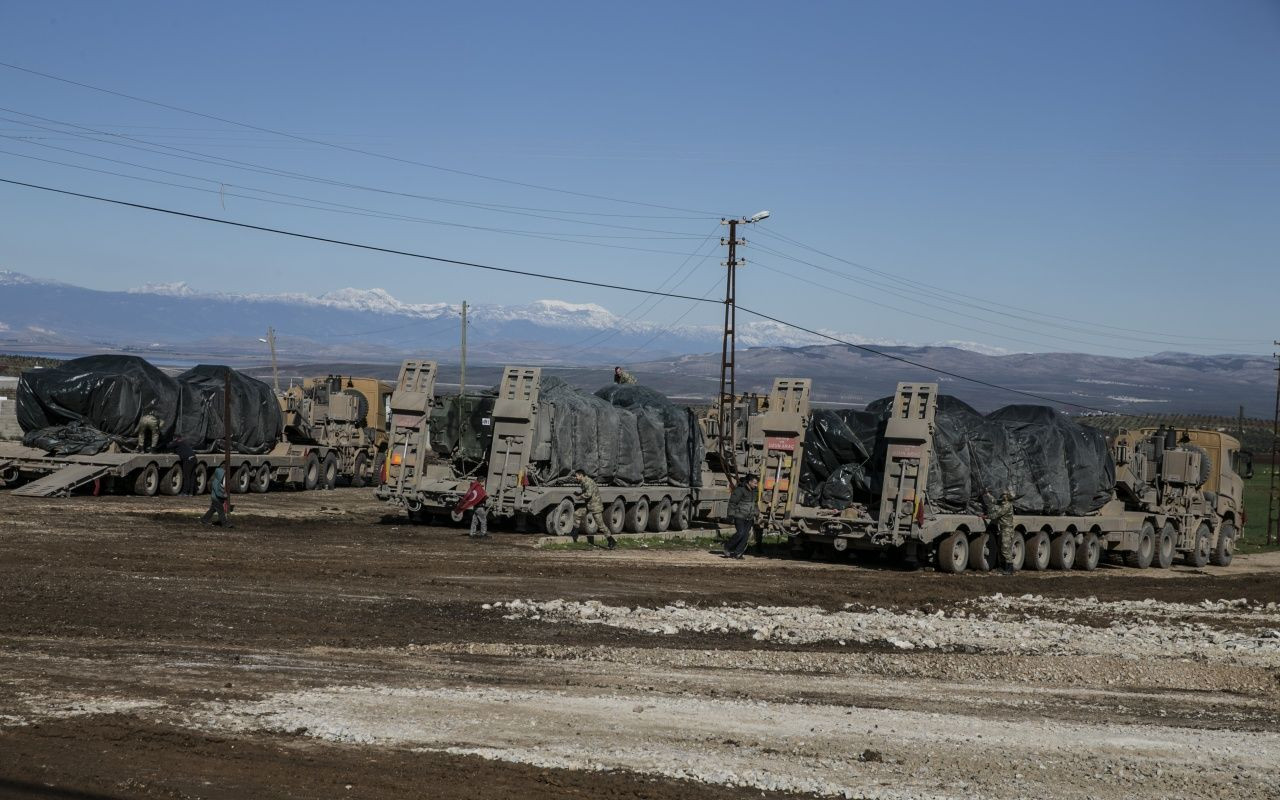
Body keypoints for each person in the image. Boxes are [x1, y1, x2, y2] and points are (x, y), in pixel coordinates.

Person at [573, 468, 615, 549]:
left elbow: (588, 494)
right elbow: (587, 492)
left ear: (581, 475)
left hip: (595, 506)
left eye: (576, 476)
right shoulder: (583, 482)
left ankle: (611, 540)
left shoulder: (588, 482)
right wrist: (579, 493)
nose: (576, 478)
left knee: (601, 526)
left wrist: (579, 497)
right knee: (577, 514)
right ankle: (574, 533)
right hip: (588, 505)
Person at [723, 474, 759, 559]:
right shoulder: (740, 490)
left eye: (756, 483)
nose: (756, 485)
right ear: (749, 482)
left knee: (745, 536)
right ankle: (727, 547)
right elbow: (732, 503)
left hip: (749, 517)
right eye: (755, 483)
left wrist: (756, 513)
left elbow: (755, 503)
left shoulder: (755, 491)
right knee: (740, 533)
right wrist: (731, 515)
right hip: (739, 516)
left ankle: (738, 553)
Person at [984, 488, 1017, 574]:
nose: (1003, 496)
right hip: (1003, 529)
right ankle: (1003, 567)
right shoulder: (1003, 503)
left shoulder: (1007, 505)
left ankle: (1009, 569)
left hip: (1007, 530)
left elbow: (997, 514)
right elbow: (994, 501)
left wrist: (987, 516)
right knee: (1001, 548)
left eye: (1004, 495)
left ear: (1007, 497)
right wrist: (987, 494)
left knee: (1005, 549)